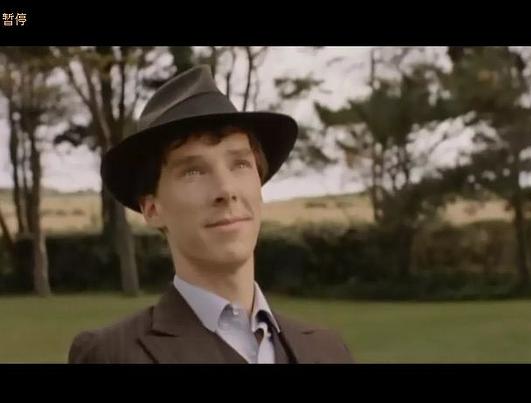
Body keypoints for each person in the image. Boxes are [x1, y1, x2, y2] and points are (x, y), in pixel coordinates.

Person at [68, 65, 355, 364]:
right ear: (152, 209)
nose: (226, 190)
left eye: (240, 164)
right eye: (193, 171)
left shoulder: (328, 351)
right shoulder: (113, 355)